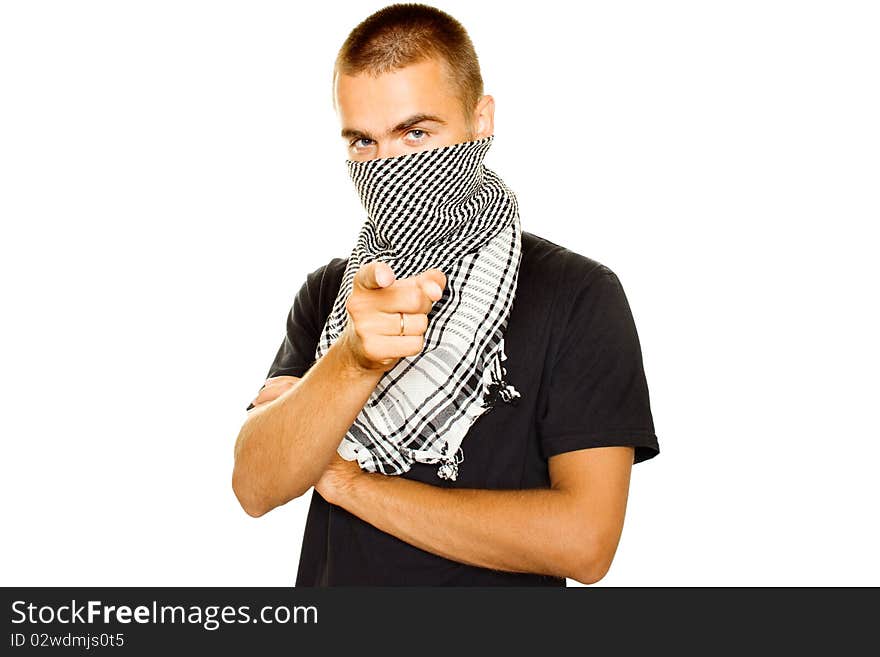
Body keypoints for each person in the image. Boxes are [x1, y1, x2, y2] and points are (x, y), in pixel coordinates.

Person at [232, 3, 660, 586]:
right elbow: (255, 486)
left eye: (416, 132)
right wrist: (354, 359)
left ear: (480, 120)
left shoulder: (577, 294)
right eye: (362, 141)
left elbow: (584, 543)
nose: (389, 166)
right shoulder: (331, 293)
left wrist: (348, 483)